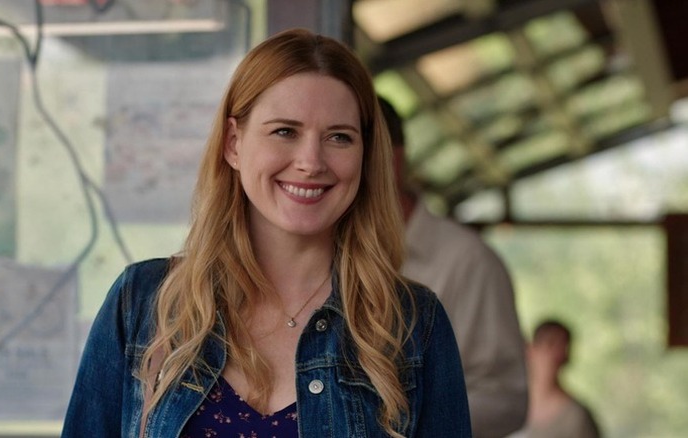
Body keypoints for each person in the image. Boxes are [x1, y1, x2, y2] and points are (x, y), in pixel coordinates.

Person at [62, 29, 471, 437]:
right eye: (285, 131)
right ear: (234, 144)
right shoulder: (142, 302)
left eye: (339, 137)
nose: (311, 162)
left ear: (365, 155)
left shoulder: (413, 323)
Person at [379, 97, 528, 437]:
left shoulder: (468, 260)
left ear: (393, 159)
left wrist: (390, 421)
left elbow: (505, 400)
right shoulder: (320, 253)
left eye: (344, 140)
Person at [512, 320, 600, 438]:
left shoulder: (575, 417)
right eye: (550, 344)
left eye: (561, 348)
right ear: (530, 350)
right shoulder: (510, 408)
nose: (554, 356)